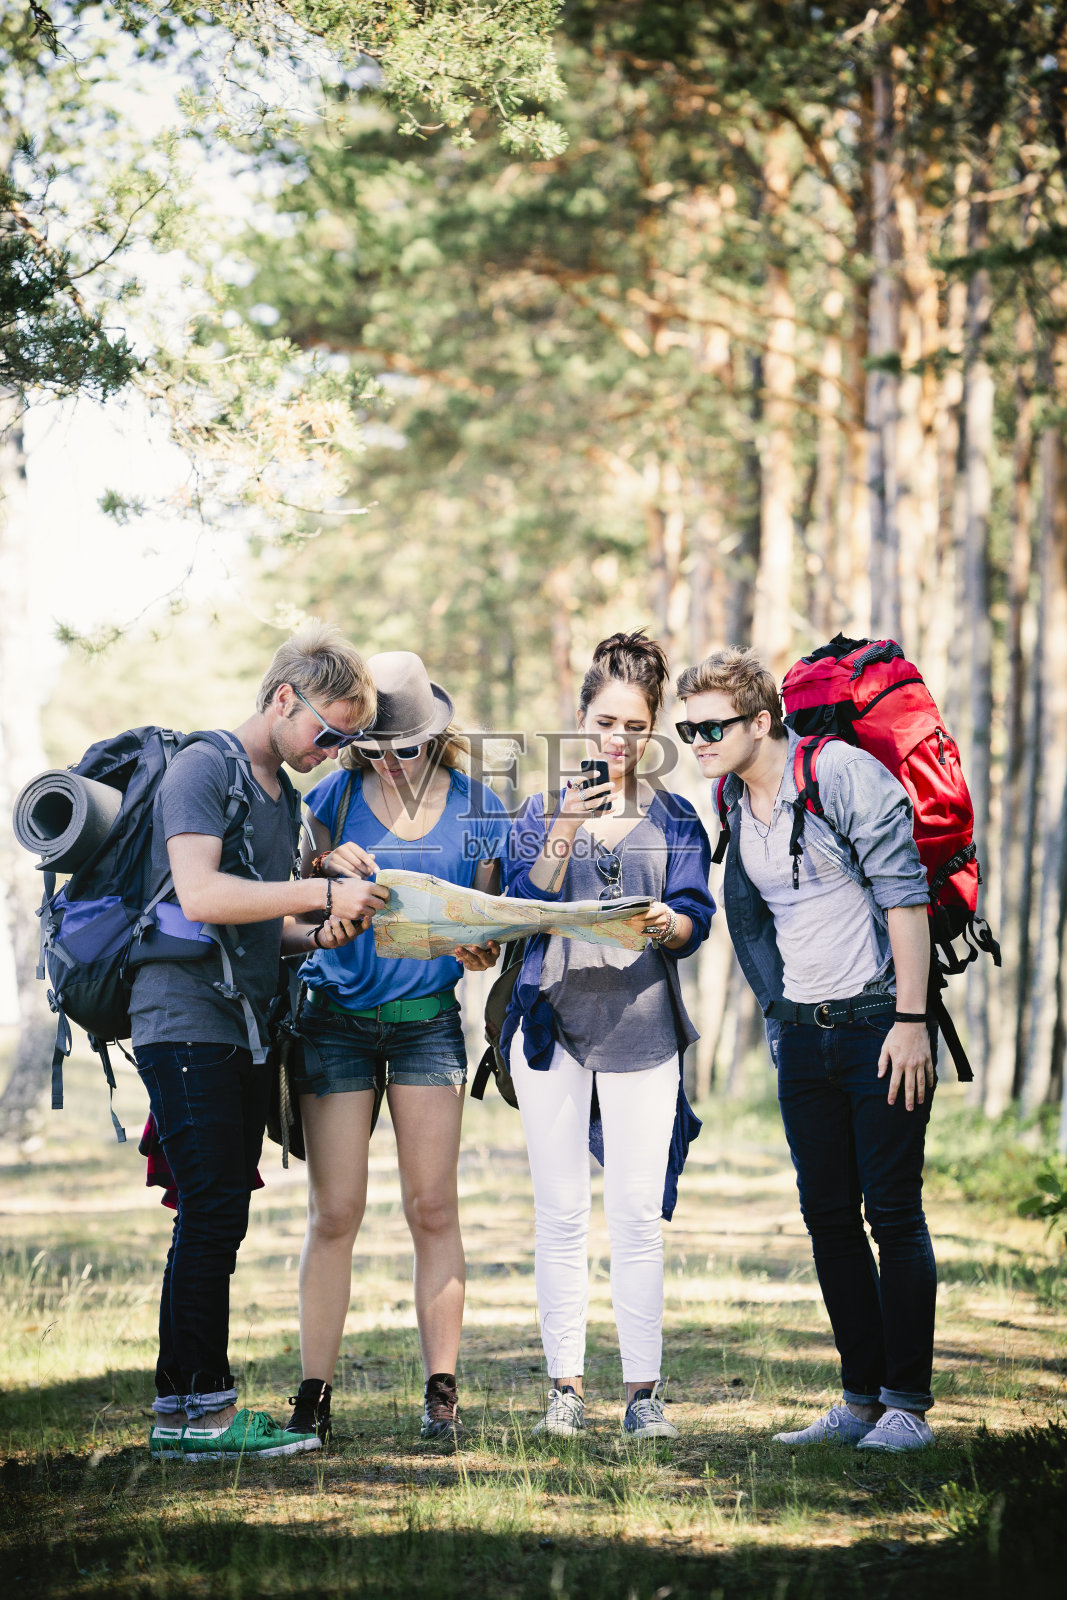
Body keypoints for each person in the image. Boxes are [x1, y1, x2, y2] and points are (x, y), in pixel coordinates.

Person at [133, 621, 388, 1463]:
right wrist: (315, 885)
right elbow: (201, 896)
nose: (337, 748)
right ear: (284, 698)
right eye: (330, 730)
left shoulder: (285, 795)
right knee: (208, 1212)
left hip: (242, 1025)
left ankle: (194, 1403)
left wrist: (315, 934)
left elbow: (258, 928)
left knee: (221, 1213)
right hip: (182, 1021)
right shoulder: (204, 768)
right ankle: (190, 1412)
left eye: (351, 738)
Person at [676, 646, 938, 1453]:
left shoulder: (840, 774)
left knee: (890, 1210)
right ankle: (859, 1400)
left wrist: (910, 1019)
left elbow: (904, 895)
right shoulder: (729, 796)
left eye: (712, 725)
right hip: (802, 1031)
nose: (697, 740)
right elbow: (752, 913)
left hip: (878, 1024)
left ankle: (906, 1406)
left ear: (762, 721)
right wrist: (776, 1010)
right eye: (686, 728)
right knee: (825, 1214)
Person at [285, 651, 510, 1446]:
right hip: (335, 1021)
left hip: (426, 1023)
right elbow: (291, 906)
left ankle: (441, 1393)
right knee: (335, 1211)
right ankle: (312, 1397)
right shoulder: (327, 799)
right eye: (370, 747)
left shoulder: (482, 807)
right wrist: (322, 873)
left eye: (402, 748)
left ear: (434, 737)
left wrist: (480, 949)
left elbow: (490, 923)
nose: (387, 762)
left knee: (432, 1206)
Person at [501, 631, 714, 1440]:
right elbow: (525, 899)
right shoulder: (536, 808)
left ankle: (642, 1395)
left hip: (641, 1028)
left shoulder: (675, 817)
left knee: (632, 1213)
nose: (616, 741)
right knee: (558, 1212)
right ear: (581, 720)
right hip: (552, 1027)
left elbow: (698, 915)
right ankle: (564, 1391)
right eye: (602, 723)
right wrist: (563, 823)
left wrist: (670, 920)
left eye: (632, 726)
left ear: (652, 726)